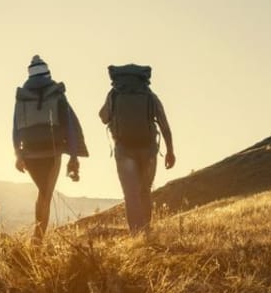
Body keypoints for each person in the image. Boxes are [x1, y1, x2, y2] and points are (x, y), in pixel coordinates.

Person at [13, 55, 88, 240]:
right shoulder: (56, 94)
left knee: (42, 193)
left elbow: (15, 127)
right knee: (45, 195)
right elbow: (69, 124)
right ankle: (37, 241)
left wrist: (18, 154)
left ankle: (37, 239)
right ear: (47, 73)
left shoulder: (22, 97)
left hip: (29, 153)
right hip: (52, 152)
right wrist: (73, 155)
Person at [98, 64, 175, 233]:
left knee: (130, 193)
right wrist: (170, 151)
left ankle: (135, 234)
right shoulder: (149, 95)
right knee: (145, 190)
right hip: (148, 149)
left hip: (124, 149)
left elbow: (103, 117)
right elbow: (164, 125)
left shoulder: (114, 94)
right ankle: (146, 230)